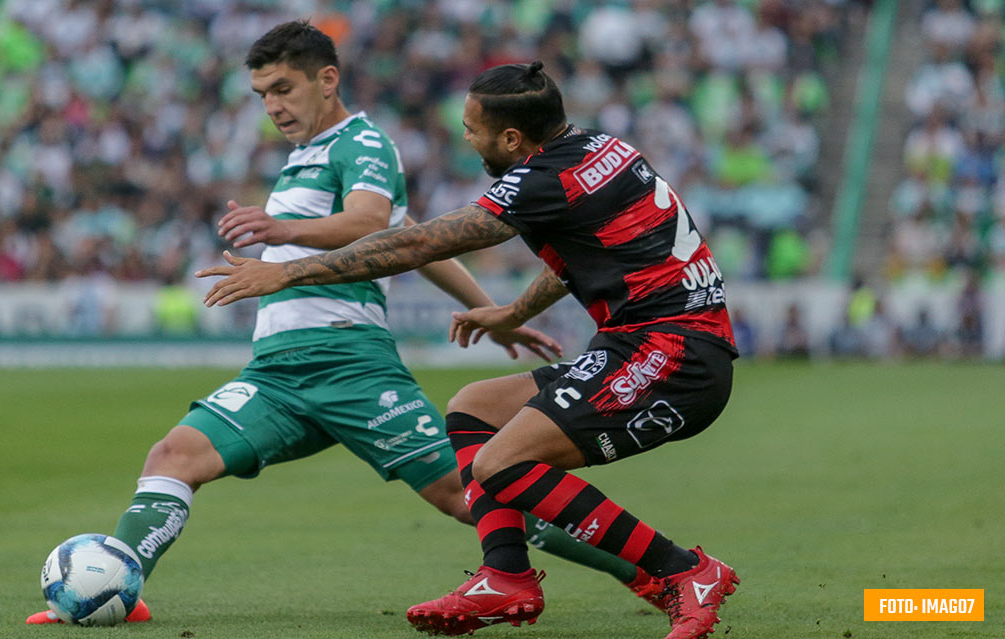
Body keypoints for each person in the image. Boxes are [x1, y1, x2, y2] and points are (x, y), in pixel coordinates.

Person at [28, 24, 654, 625]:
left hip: (349, 363)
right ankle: (118, 588)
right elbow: (412, 238)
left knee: (470, 495)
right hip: (276, 372)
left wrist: (283, 232)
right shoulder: (305, 157)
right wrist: (499, 314)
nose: (272, 105)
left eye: (283, 88)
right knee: (174, 455)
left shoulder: (362, 142)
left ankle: (646, 571)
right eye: (262, 94)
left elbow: (373, 223)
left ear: (327, 79)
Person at [197, 61, 741, 638]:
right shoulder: (599, 149)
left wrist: (288, 274)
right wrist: (511, 314)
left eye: (471, 128)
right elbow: (583, 255)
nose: (465, 137)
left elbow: (423, 242)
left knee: (500, 465)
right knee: (473, 407)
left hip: (672, 356)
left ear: (511, 138)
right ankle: (505, 577)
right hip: (649, 344)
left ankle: (685, 570)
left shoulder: (540, 179)